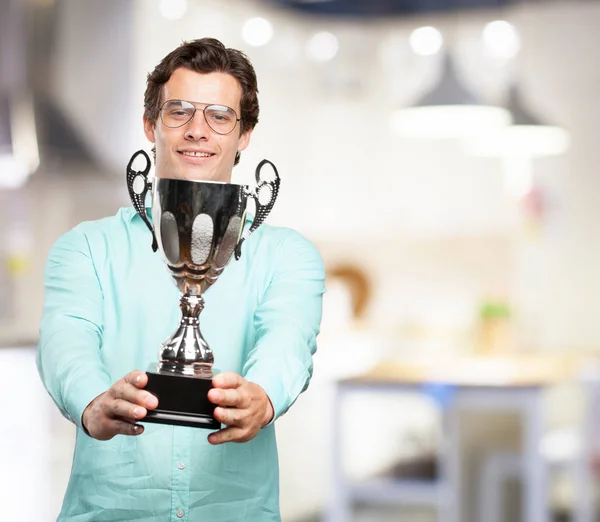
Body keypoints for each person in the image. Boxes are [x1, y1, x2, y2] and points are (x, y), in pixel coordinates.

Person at [37, 37, 325, 521]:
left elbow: (288, 341)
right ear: (151, 125)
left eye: (219, 115)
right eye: (179, 112)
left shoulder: (287, 255)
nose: (198, 131)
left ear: (244, 134)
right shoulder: (85, 248)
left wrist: (265, 397)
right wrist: (92, 403)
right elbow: (65, 341)